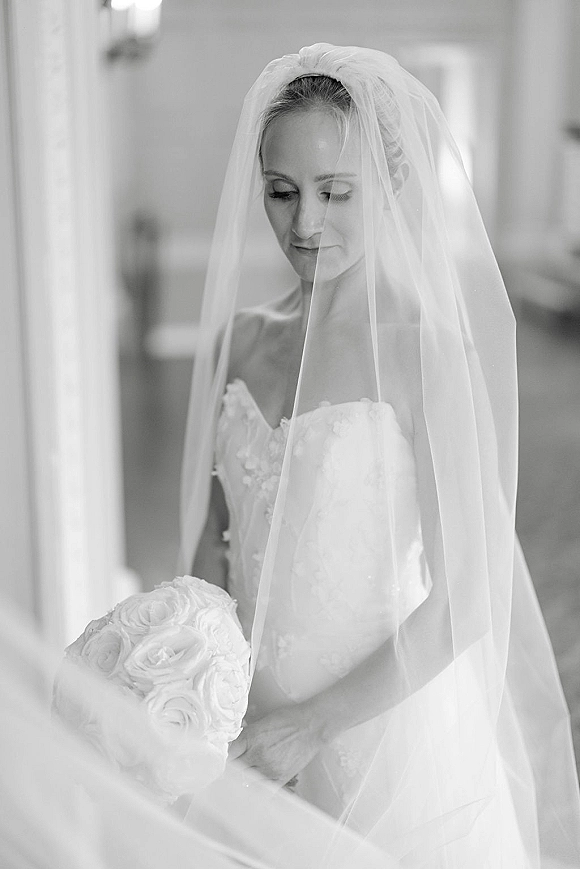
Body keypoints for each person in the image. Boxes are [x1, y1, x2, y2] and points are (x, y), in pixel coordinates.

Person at [179, 43, 580, 867]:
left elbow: (468, 595)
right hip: (247, 736)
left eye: (336, 192)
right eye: (282, 192)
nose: (305, 223)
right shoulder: (240, 342)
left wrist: (311, 727)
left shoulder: (424, 353)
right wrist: (197, 693)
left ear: (391, 185)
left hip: (387, 737)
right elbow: (210, 559)